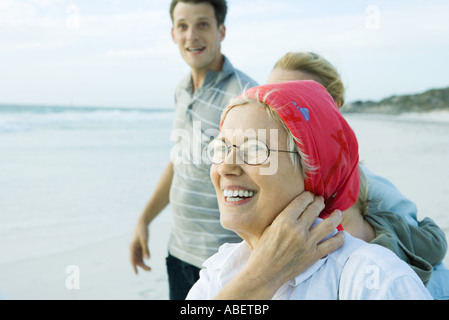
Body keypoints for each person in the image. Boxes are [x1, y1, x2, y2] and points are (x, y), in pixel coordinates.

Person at [129, 1, 344, 300]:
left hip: (225, 257)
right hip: (178, 249)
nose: (192, 35)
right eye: (182, 26)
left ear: (221, 31)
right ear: (173, 33)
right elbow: (180, 159)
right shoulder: (182, 89)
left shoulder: (246, 96)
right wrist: (145, 219)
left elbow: (278, 173)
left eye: (203, 24)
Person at [186, 80, 432, 299]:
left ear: (314, 173)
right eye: (222, 149)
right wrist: (259, 279)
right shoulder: (217, 274)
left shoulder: (375, 279)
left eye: (254, 150)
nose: (225, 167)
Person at [267, 51, 449, 299]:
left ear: (333, 108)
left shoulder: (365, 184)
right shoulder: (270, 175)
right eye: (271, 99)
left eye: (296, 101)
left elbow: (425, 249)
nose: (279, 111)